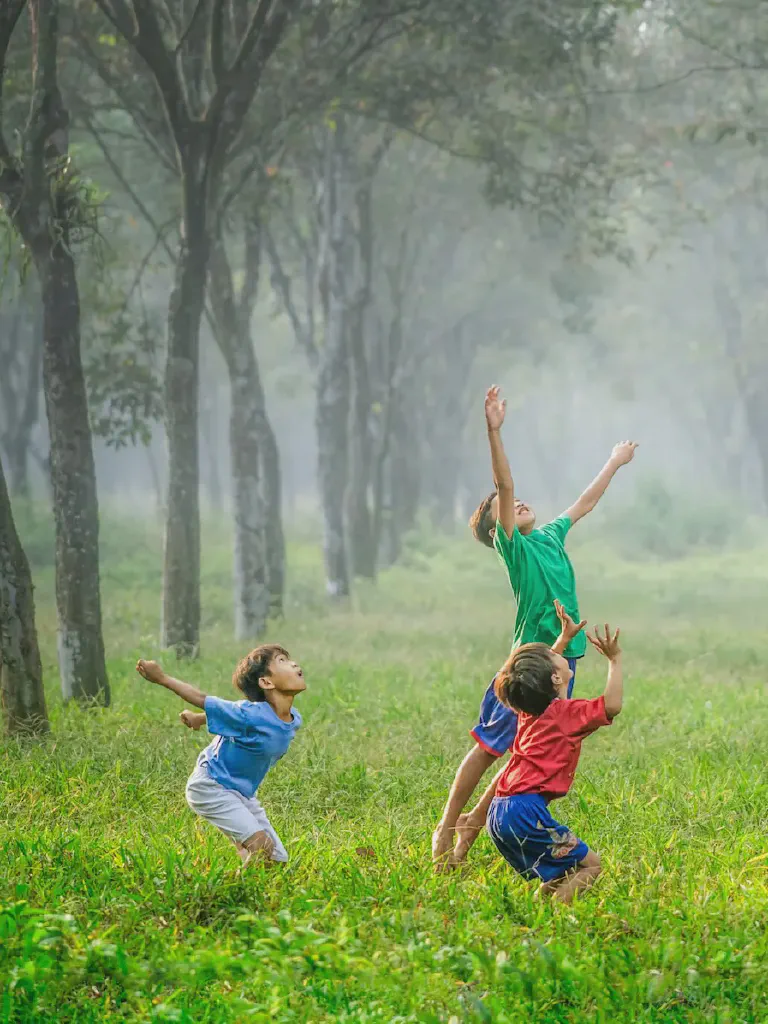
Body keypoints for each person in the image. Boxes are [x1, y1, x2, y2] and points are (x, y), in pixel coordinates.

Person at [432, 385, 636, 869]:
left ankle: (470, 832)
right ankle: (446, 827)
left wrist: (614, 462)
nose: (517, 501)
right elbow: (504, 485)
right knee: (490, 746)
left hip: (564, 659)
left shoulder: (549, 536)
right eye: (504, 507)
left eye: (520, 501)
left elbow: (584, 502)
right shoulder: (515, 548)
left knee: (528, 750)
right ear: (496, 529)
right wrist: (494, 432)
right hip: (528, 663)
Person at [452, 621, 622, 904]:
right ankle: (555, 917)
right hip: (525, 813)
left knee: (562, 871)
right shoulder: (566, 715)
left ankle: (537, 912)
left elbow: (539, 679)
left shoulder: (529, 710)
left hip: (498, 812)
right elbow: (612, 705)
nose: (559, 654)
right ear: (555, 678)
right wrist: (614, 660)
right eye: (555, 656)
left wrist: (562, 640)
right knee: (591, 866)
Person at [135, 644, 305, 867]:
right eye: (282, 661)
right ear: (266, 682)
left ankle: (246, 862)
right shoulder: (250, 714)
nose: (293, 663)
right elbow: (203, 699)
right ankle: (235, 886)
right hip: (211, 786)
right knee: (261, 847)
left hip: (242, 793)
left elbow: (234, 718)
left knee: (276, 860)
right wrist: (162, 678)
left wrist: (199, 718)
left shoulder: (293, 718)